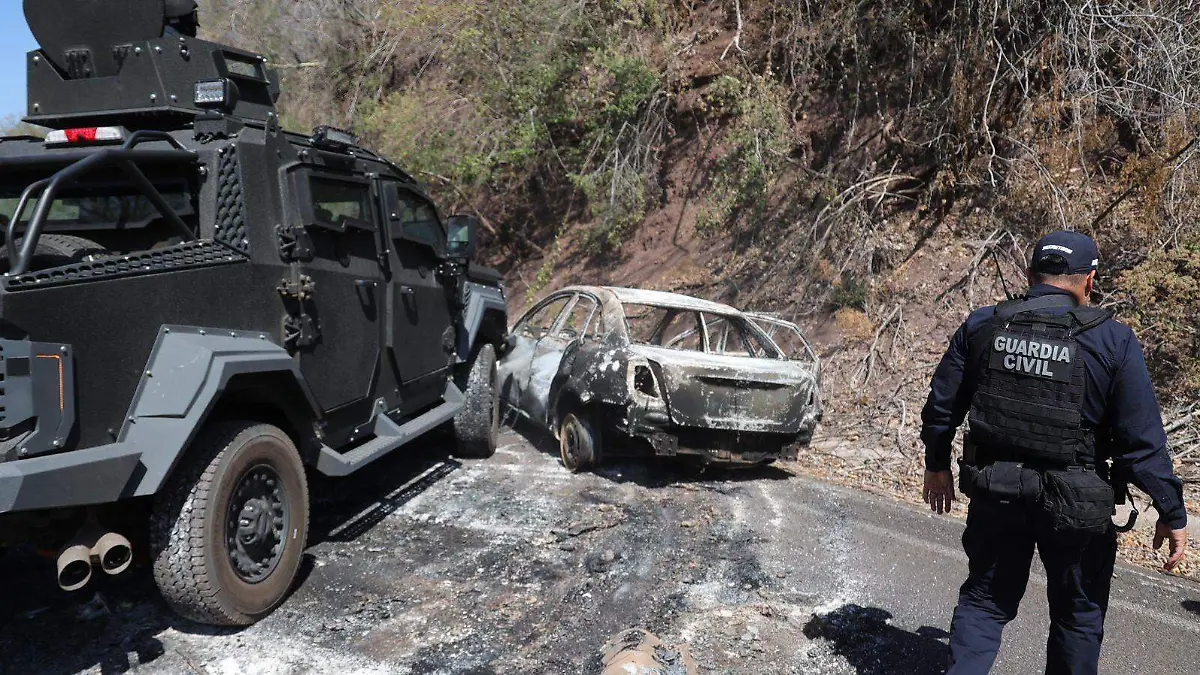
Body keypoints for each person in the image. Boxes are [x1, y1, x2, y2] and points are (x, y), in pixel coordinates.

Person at [919, 230, 1188, 674]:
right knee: (1077, 618)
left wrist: (937, 465)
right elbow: (1140, 445)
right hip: (1078, 504)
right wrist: (1171, 510)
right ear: (1091, 280)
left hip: (997, 491)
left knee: (985, 604)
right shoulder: (1113, 341)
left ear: (1030, 275)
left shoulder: (984, 325)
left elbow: (942, 407)